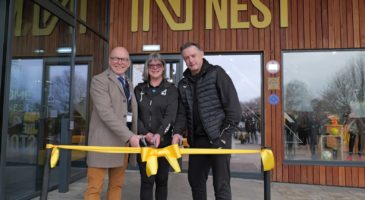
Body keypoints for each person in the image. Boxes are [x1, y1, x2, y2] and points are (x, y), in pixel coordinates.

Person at [172, 42, 241, 200]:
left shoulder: (217, 73)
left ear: (202, 54)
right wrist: (177, 133)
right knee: (195, 181)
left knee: (221, 186)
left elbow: (234, 111)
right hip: (197, 142)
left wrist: (223, 138)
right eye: (186, 58)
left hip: (218, 139)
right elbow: (182, 114)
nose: (190, 60)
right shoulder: (183, 84)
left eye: (193, 56)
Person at [84, 46, 141, 200]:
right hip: (102, 144)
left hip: (121, 144)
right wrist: (130, 136)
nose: (119, 62)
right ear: (109, 60)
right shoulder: (99, 80)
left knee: (116, 186)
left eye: (123, 59)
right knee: (94, 188)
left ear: (128, 63)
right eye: (115, 58)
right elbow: (106, 113)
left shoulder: (128, 82)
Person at [134, 53, 178, 200]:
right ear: (147, 68)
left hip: (164, 144)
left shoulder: (171, 89)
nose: (155, 68)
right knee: (147, 182)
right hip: (145, 143)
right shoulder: (139, 89)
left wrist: (159, 134)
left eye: (158, 64)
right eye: (151, 65)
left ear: (163, 68)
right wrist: (145, 133)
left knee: (162, 181)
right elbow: (135, 116)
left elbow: (171, 116)